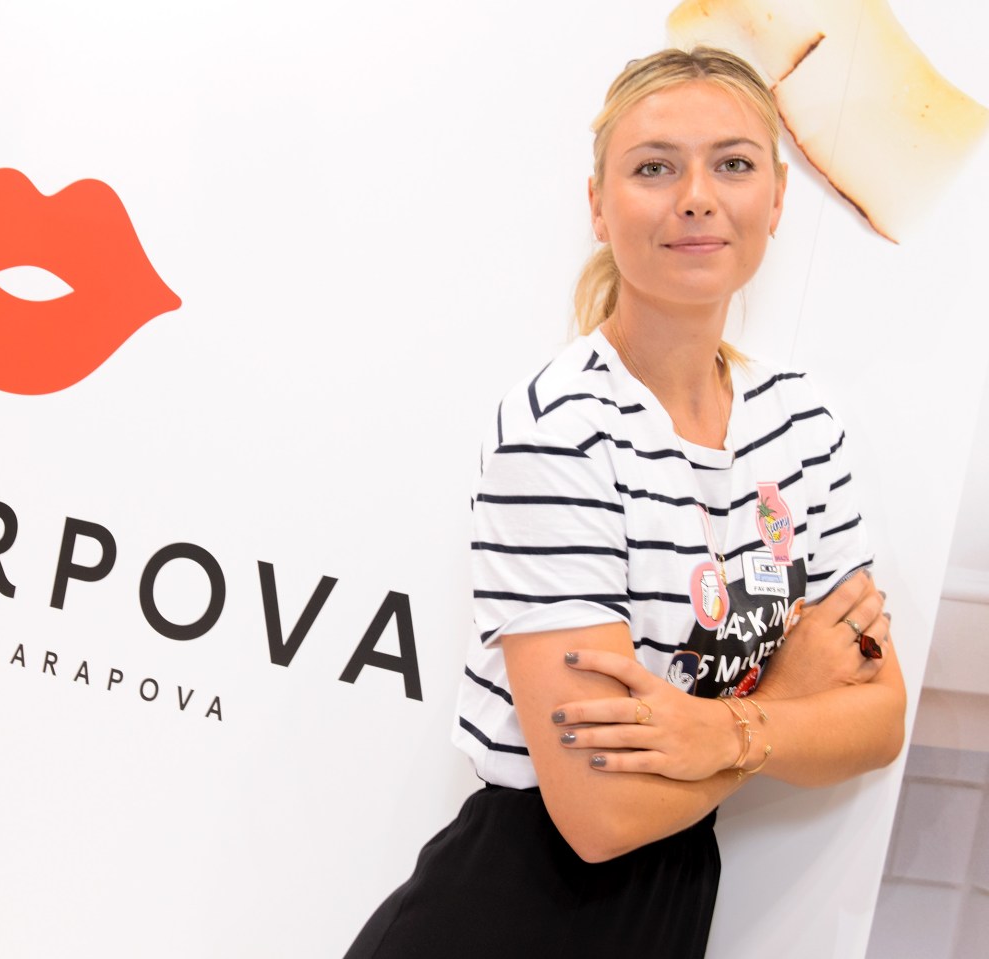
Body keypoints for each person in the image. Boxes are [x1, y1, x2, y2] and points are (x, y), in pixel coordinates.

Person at [344, 46, 906, 959]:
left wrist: (717, 730)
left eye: (734, 163)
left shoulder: (803, 424)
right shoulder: (560, 428)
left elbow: (878, 716)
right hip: (509, 913)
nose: (697, 196)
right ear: (599, 207)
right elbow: (599, 812)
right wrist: (781, 703)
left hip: (671, 910)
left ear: (776, 198)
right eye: (654, 168)